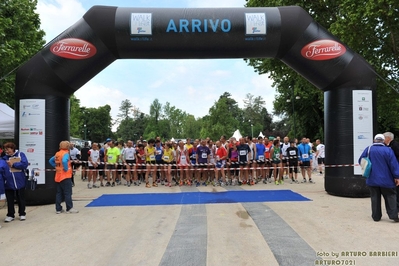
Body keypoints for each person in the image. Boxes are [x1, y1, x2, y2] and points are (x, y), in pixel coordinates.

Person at [358, 134, 399, 222]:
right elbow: (394, 165)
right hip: (387, 180)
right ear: (383, 141)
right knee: (390, 196)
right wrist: (397, 176)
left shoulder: (368, 149)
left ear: (374, 140)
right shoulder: (388, 150)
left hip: (372, 179)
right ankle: (393, 216)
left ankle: (376, 217)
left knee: (374, 197)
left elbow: (361, 160)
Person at [49, 140, 79, 214]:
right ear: (67, 146)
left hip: (58, 176)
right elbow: (65, 161)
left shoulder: (57, 154)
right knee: (67, 192)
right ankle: (69, 208)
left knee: (59, 193)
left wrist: (55, 167)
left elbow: (50, 161)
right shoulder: (66, 154)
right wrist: (65, 168)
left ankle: (58, 209)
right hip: (65, 176)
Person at [2, 142, 29, 222]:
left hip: (20, 180)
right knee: (10, 199)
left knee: (21, 198)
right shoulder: (4, 158)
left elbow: (24, 164)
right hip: (8, 182)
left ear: (12, 148)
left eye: (8, 149)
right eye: (5, 150)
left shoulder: (21, 154)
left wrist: (13, 165)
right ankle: (10, 214)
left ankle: (22, 213)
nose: (7, 151)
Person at [383, 132, 399, 209]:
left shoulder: (394, 145)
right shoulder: (390, 145)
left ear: (388, 138)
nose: (383, 140)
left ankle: (397, 205)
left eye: (384, 138)